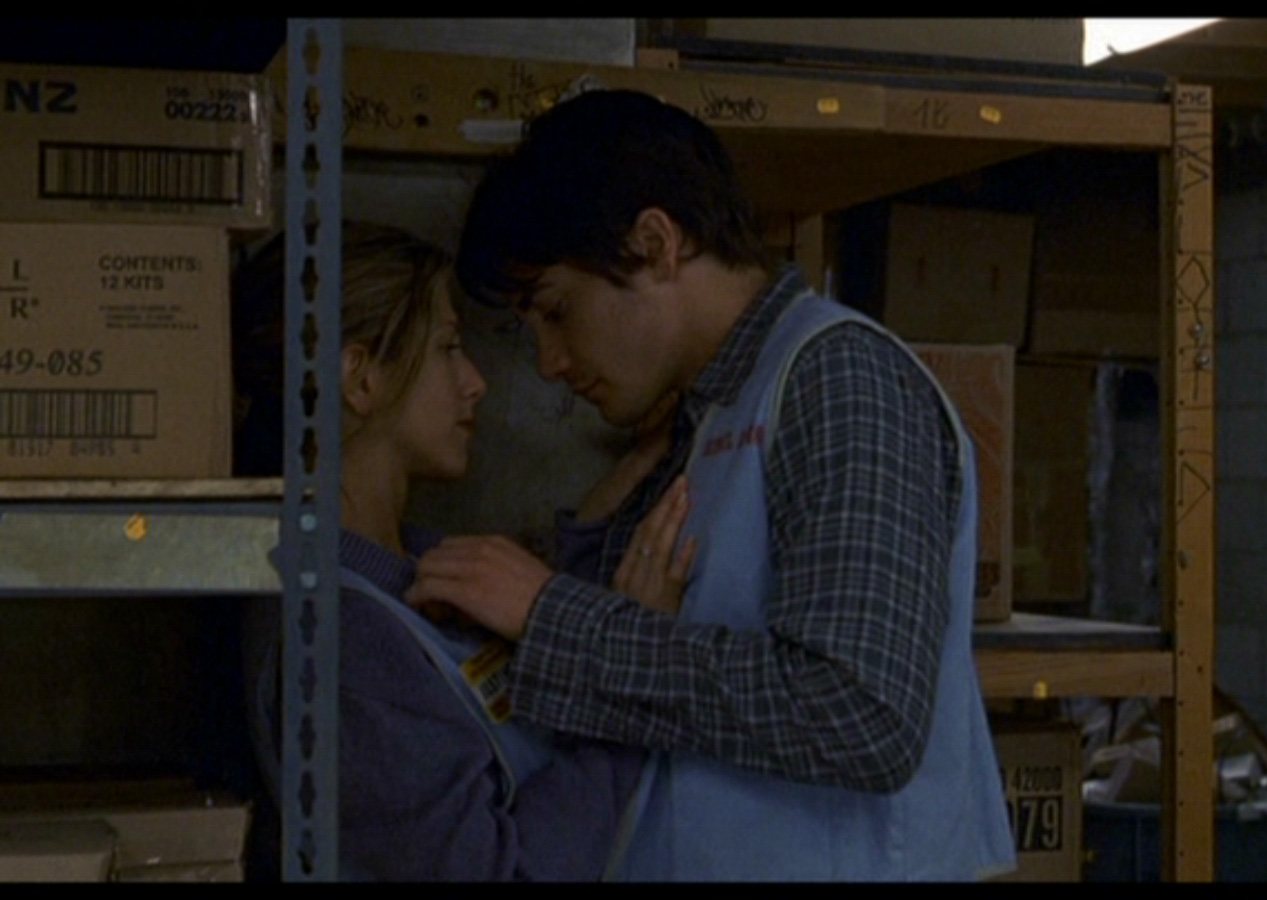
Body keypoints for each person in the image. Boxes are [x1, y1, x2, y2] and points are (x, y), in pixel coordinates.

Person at [407, 89, 1017, 882]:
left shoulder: (838, 380)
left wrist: (554, 616)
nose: (551, 363)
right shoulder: (708, 412)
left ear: (656, 243)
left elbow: (859, 713)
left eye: (556, 312)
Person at [233, 221, 693, 881]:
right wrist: (634, 700)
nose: (475, 381)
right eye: (448, 347)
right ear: (359, 380)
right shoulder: (340, 641)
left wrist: (646, 462)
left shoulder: (408, 572)